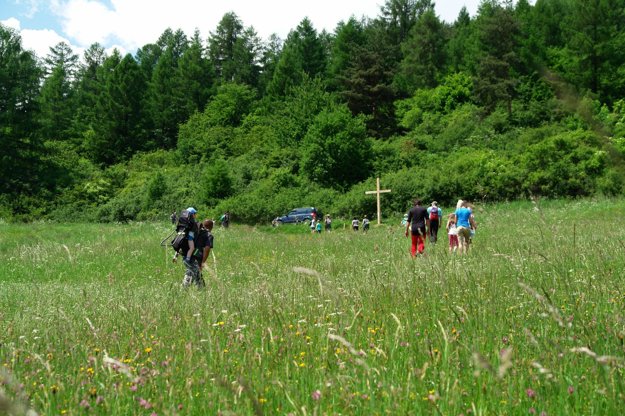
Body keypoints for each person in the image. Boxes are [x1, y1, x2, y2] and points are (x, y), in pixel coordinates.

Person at [181, 219, 214, 288]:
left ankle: (184, 287)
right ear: (211, 227)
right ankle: (201, 289)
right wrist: (203, 262)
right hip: (197, 256)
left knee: (190, 271)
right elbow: (207, 249)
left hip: (188, 255)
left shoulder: (196, 231)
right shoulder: (208, 234)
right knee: (197, 274)